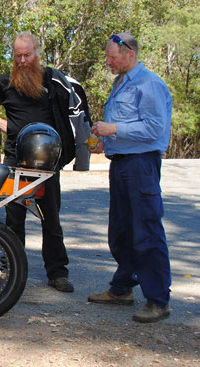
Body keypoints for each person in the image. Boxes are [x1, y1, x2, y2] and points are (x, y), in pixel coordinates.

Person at [0, 32, 92, 293]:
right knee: (14, 218)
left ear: (37, 53)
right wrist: (3, 124)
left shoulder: (52, 80)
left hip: (48, 161)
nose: (23, 60)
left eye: (27, 55)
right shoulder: (5, 83)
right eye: (18, 56)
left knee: (51, 218)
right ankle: (12, 270)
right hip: (16, 159)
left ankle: (58, 273)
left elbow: (74, 109)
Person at [88, 33, 172, 323]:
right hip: (122, 163)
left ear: (130, 54)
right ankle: (122, 288)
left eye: (113, 57)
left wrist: (114, 129)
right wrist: (106, 142)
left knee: (146, 231)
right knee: (121, 231)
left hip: (141, 165)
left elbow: (154, 129)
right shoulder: (121, 82)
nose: (109, 62)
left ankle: (158, 300)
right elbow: (127, 125)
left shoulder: (149, 84)